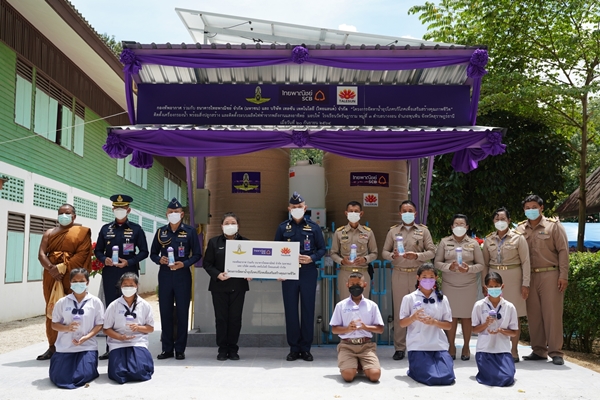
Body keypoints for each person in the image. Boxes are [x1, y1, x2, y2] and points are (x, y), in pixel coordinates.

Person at [516, 194, 569, 365]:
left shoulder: (553, 226)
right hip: (528, 276)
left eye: (534, 207)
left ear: (541, 208)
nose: (531, 210)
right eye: (527, 208)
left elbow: (563, 250)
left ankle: (556, 352)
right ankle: (538, 350)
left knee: (552, 314)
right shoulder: (520, 228)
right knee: (534, 315)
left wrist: (563, 275)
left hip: (550, 274)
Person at [95, 194, 149, 360]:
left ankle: (132, 344)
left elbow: (144, 252)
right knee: (111, 309)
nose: (119, 210)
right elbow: (98, 251)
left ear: (128, 210)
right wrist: (104, 259)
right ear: (113, 209)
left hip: (129, 273)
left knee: (130, 307)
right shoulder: (106, 229)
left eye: (123, 208)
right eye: (117, 208)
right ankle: (111, 347)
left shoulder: (136, 229)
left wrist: (129, 261)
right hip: (111, 273)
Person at [274, 192, 326, 362]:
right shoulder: (283, 228)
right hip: (288, 274)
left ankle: (306, 348)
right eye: (294, 207)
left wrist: (312, 258)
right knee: (291, 310)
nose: (297, 209)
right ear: (289, 209)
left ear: (305, 208)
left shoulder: (314, 227)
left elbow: (322, 249)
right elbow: (275, 250)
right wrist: (279, 271)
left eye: (300, 206)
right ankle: (294, 348)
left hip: (308, 272)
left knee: (308, 309)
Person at [382, 200, 436, 361]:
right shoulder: (393, 231)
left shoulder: (423, 231)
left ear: (415, 213)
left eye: (410, 210)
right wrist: (392, 256)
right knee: (400, 310)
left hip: (417, 275)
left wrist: (417, 256)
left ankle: (420, 345)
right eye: (404, 211)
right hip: (398, 273)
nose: (407, 213)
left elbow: (432, 251)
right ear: (400, 213)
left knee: (420, 309)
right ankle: (400, 347)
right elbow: (384, 252)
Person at [37, 204, 92, 360]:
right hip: (51, 275)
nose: (63, 216)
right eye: (60, 213)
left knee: (73, 308)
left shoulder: (81, 232)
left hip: (71, 276)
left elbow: (82, 255)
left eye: (67, 213)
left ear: (74, 216)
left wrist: (62, 268)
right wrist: (52, 269)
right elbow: (41, 254)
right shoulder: (49, 233)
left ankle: (74, 343)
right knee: (52, 307)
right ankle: (52, 346)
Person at [150, 197, 201, 360]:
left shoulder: (190, 231)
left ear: (182, 214)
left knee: (182, 312)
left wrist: (184, 264)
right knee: (165, 311)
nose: (173, 214)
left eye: (176, 212)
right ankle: (167, 349)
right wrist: (160, 259)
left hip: (182, 275)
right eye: (170, 212)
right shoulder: (161, 232)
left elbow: (197, 254)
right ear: (166, 214)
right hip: (165, 275)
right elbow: (152, 253)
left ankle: (180, 349)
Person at [482, 207, 530, 362]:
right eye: (497, 219)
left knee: (514, 314)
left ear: (509, 220)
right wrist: (484, 284)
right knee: (493, 312)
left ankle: (514, 350)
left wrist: (526, 283)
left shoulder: (518, 238)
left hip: (513, 278)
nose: (500, 222)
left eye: (503, 219)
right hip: (493, 278)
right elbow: (484, 264)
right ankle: (495, 348)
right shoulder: (488, 239)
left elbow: (525, 261)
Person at [434, 213, 484, 361]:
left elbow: (481, 265)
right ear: (452, 226)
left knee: (467, 316)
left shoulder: (473, 243)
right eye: (456, 224)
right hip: (449, 284)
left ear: (467, 227)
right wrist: (449, 266)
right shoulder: (444, 242)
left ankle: (466, 346)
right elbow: (437, 263)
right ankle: (451, 346)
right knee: (451, 316)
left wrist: (469, 269)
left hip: (468, 284)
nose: (459, 227)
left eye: (462, 224)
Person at [203, 212, 251, 361]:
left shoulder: (246, 243)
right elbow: (207, 263)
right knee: (221, 319)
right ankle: (222, 349)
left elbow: (252, 262)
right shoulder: (214, 242)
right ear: (221, 226)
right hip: (219, 286)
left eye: (233, 223)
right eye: (227, 223)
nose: (230, 226)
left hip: (238, 286)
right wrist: (217, 274)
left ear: (238, 225)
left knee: (235, 319)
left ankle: (233, 349)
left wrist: (251, 272)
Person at [399, 263, 455, 386]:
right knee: (431, 377)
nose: (428, 280)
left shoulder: (442, 298)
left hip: (438, 345)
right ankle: (413, 369)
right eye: (424, 277)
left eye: (431, 277)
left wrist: (435, 322)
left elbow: (449, 325)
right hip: (418, 345)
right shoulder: (409, 298)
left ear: (436, 278)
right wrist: (413, 318)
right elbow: (402, 323)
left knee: (447, 377)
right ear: (418, 278)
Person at [49, 268, 104, 389]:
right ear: (70, 283)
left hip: (87, 347)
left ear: (87, 282)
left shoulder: (95, 302)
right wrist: (67, 328)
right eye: (75, 281)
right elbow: (54, 324)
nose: (78, 284)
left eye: (81, 281)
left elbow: (99, 324)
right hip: (65, 347)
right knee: (60, 377)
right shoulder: (62, 302)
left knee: (82, 376)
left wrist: (86, 338)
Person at [330, 272, 384, 382]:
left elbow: (380, 329)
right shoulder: (341, 305)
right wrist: (347, 329)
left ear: (365, 284)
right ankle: (352, 364)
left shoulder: (372, 305)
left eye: (358, 284)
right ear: (347, 285)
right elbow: (334, 329)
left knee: (375, 376)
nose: (355, 287)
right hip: (347, 345)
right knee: (348, 376)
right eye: (352, 284)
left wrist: (365, 327)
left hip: (366, 346)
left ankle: (359, 363)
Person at [103, 272, 154, 384]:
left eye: (131, 285)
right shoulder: (114, 305)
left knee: (141, 371)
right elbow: (106, 329)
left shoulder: (145, 305)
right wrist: (120, 337)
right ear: (120, 286)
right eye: (125, 285)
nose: (128, 288)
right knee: (118, 373)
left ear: (137, 286)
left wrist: (139, 328)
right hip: (118, 342)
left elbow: (150, 328)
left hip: (137, 341)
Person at [472, 272, 518, 387]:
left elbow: (514, 333)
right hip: (485, 350)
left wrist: (501, 331)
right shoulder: (479, 305)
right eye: (490, 287)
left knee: (507, 378)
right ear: (485, 288)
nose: (494, 289)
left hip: (502, 350)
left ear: (502, 286)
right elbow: (474, 329)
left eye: (496, 286)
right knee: (492, 377)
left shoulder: (509, 307)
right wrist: (486, 324)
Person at [330, 201, 378, 300]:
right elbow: (333, 253)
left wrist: (365, 259)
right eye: (351, 211)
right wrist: (342, 261)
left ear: (361, 213)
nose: (353, 213)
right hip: (345, 272)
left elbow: (374, 253)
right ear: (346, 213)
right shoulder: (339, 232)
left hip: (362, 272)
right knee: (345, 304)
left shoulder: (368, 232)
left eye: (356, 211)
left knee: (363, 304)